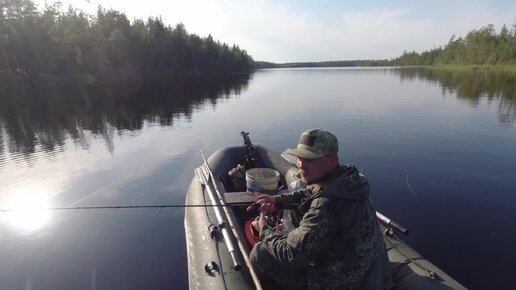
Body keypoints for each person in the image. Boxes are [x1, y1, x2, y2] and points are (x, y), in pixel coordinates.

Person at [249, 128, 392, 290]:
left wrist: (265, 230)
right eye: (299, 158)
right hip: (369, 275)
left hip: (347, 282)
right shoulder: (349, 180)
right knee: (299, 211)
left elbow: (292, 255)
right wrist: (277, 200)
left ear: (332, 160)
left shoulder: (327, 205)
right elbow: (310, 192)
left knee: (260, 254)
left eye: (309, 160)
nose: (301, 165)